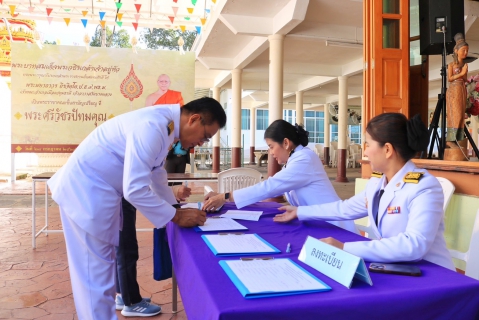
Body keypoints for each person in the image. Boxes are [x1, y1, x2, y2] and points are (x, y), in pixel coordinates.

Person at [48, 97, 226, 320]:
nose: (202, 143)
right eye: (205, 136)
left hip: (96, 194)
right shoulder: (153, 126)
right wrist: (176, 216)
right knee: (95, 280)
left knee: (101, 276)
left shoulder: (165, 126)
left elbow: (156, 174)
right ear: (194, 119)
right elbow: (134, 189)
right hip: (85, 195)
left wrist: (173, 207)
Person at [273, 113, 455, 271]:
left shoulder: (424, 187)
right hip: (396, 265)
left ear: (387, 149)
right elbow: (345, 209)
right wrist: (300, 211)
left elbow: (414, 245)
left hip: (431, 270)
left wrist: (345, 247)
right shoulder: (378, 181)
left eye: (368, 144)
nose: (365, 151)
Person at [202, 119, 357, 234]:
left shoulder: (304, 159)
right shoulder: (295, 159)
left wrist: (226, 196)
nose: (270, 152)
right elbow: (271, 185)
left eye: (271, 147)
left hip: (335, 227)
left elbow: (270, 187)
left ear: (286, 143)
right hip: (318, 222)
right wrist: (225, 196)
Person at [114, 183, 190, 317]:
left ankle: (123, 295)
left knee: (122, 247)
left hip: (119, 192)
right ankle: (131, 303)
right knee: (126, 250)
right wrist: (174, 212)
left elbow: (155, 178)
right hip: (117, 193)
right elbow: (140, 188)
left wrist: (173, 205)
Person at [445, 33, 468, 153]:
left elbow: (465, 80)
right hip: (453, 90)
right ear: (456, 51)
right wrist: (461, 73)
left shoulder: (464, 65)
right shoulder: (451, 65)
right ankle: (450, 139)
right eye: (463, 50)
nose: (465, 53)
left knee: (461, 115)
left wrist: (464, 73)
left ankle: (458, 138)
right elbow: (450, 78)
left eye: (466, 51)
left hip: (461, 89)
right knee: (455, 114)